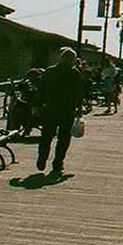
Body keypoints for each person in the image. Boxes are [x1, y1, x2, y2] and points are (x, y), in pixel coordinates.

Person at [34, 47, 87, 176]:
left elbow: (41, 90)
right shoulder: (74, 73)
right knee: (63, 139)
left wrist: (36, 105)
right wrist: (79, 109)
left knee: (46, 136)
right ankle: (58, 164)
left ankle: (42, 159)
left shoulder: (50, 71)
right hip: (67, 111)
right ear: (72, 60)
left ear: (61, 58)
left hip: (50, 109)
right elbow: (79, 93)